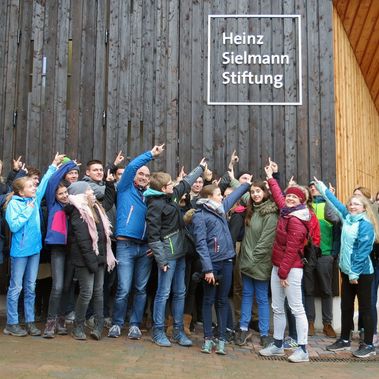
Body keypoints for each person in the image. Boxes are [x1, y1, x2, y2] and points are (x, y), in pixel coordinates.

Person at [315, 179, 379, 358]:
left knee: (366, 307)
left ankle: (368, 344)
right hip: (347, 271)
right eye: (351, 203)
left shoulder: (365, 225)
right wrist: (323, 189)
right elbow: (335, 204)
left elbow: (362, 251)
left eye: (357, 204)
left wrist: (353, 273)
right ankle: (344, 339)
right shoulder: (347, 218)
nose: (352, 206)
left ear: (365, 207)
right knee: (346, 306)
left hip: (362, 274)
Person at [145, 159, 206, 347]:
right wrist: (161, 260)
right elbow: (153, 237)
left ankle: (178, 331)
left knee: (180, 292)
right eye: (170, 183)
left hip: (180, 253)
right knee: (163, 293)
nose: (174, 185)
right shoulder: (155, 205)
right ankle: (158, 331)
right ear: (163, 188)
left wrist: (200, 167)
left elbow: (186, 182)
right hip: (167, 255)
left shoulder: (171, 196)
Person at [3, 153, 63, 337]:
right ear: (21, 191)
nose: (34, 187)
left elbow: (44, 182)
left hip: (34, 250)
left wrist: (53, 165)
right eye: (30, 186)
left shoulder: (34, 200)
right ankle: (12, 323)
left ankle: (29, 322)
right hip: (20, 251)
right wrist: (28, 211)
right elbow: (14, 225)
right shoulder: (14, 204)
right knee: (16, 288)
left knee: (31, 287)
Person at [108, 144, 164, 340]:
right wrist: (150, 154)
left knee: (140, 289)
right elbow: (132, 167)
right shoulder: (124, 188)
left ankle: (134, 324)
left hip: (145, 248)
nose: (143, 177)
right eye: (141, 174)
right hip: (125, 245)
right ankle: (116, 323)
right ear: (133, 176)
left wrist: (153, 245)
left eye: (147, 176)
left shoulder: (151, 196)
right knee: (123, 287)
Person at [192, 179, 251, 355]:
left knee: (223, 300)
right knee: (209, 299)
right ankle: (208, 339)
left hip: (227, 261)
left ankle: (222, 339)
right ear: (209, 197)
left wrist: (246, 185)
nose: (222, 196)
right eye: (218, 194)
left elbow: (233, 196)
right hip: (212, 264)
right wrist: (208, 269)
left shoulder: (220, 209)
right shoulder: (199, 215)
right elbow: (201, 244)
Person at [259, 163, 311, 363]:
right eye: (289, 196)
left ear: (301, 201)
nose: (289, 198)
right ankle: (278, 345)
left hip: (290, 270)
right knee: (277, 307)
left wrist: (282, 273)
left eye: (294, 197)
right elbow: (280, 198)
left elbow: (291, 250)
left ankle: (303, 349)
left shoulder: (296, 220)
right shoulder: (287, 211)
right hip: (279, 267)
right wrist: (271, 178)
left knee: (296, 308)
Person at [66, 178, 116, 341]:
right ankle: (78, 326)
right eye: (88, 190)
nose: (91, 193)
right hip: (85, 260)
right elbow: (83, 241)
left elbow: (101, 235)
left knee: (99, 293)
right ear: (81, 194)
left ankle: (98, 326)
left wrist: (100, 258)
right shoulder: (77, 211)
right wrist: (93, 262)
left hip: (99, 258)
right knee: (86, 292)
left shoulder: (96, 208)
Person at [235, 181, 278, 347]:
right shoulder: (252, 210)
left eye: (258, 191)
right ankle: (244, 328)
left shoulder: (271, 214)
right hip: (246, 263)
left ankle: (265, 333)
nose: (255, 195)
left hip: (260, 263)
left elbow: (266, 242)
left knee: (261, 298)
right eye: (253, 192)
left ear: (265, 192)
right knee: (246, 295)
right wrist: (235, 180)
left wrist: (252, 261)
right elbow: (242, 194)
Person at [42, 160, 79, 338]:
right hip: (57, 249)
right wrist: (68, 164)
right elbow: (52, 181)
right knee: (57, 286)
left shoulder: (73, 206)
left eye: (65, 192)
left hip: (72, 250)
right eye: (60, 193)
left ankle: (61, 320)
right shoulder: (52, 204)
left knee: (66, 286)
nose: (63, 196)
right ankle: (50, 323)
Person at [304, 181, 338, 338]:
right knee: (308, 290)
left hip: (325, 253)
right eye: (310, 188)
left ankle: (327, 324)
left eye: (315, 187)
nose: (313, 189)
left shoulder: (330, 207)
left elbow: (337, 229)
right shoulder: (306, 207)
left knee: (326, 290)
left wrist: (333, 253)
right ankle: (310, 322)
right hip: (309, 254)